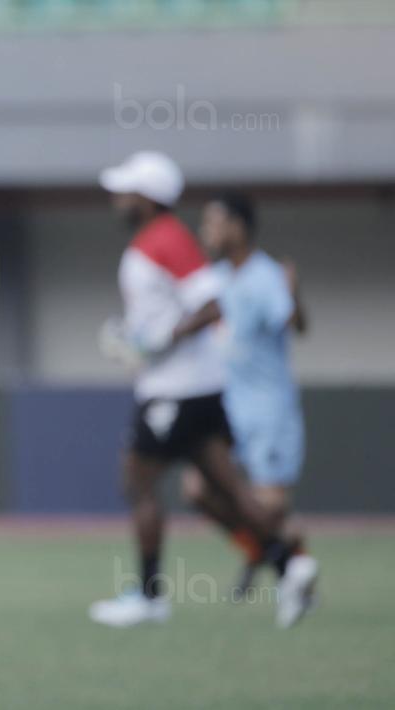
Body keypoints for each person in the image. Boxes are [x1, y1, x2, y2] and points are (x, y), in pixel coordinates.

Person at [89, 151, 316, 629]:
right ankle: (289, 563)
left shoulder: (165, 239)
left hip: (177, 391)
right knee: (225, 486)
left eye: (127, 191)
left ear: (148, 198)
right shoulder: (157, 239)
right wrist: (140, 341)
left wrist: (158, 342)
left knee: (136, 481)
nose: (118, 199)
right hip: (192, 387)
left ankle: (150, 596)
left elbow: (211, 306)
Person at [177, 191, 311, 598]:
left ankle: (293, 563)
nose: (207, 231)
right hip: (225, 408)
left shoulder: (265, 275)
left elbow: (294, 323)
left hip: (268, 409)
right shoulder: (214, 278)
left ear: (238, 226)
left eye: (214, 222)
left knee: (268, 508)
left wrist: (294, 295)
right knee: (197, 490)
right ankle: (270, 552)